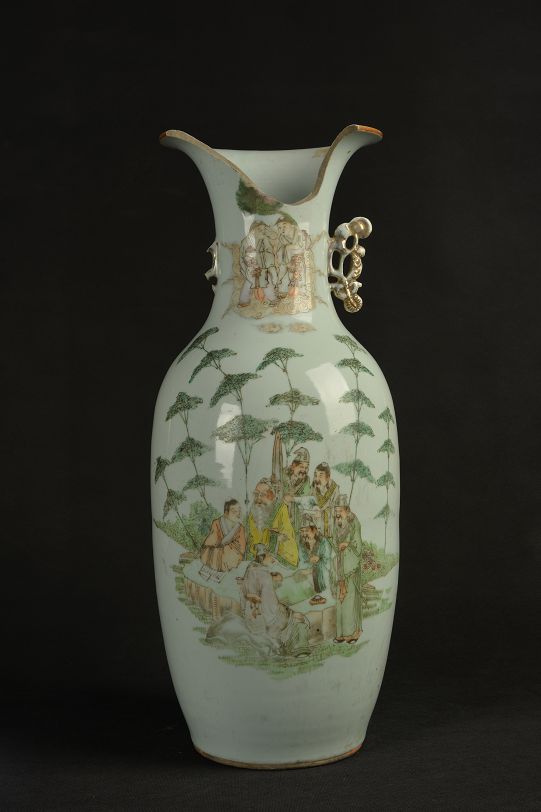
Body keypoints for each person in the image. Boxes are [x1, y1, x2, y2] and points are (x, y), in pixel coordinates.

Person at [240, 544, 310, 656]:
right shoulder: (262, 574)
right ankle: (300, 649)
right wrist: (286, 610)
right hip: (265, 618)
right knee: (299, 618)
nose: (272, 559)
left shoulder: (251, 569)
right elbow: (269, 606)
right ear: (262, 557)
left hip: (253, 615)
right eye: (269, 556)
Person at [331, 495, 364, 643]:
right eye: (336, 511)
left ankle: (352, 633)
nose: (337, 514)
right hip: (340, 564)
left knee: (350, 598)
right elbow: (334, 540)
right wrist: (337, 547)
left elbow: (357, 543)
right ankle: (340, 633)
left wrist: (347, 545)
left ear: (347, 510)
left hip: (351, 564)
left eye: (340, 511)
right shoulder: (337, 523)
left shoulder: (354, 521)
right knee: (341, 598)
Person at [246, 478, 298, 567]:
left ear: (272, 496)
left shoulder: (280, 508)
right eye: (256, 494)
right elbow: (252, 538)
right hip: (259, 556)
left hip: (279, 557)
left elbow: (286, 535)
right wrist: (257, 547)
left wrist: (274, 538)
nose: (258, 498)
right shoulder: (253, 511)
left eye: (262, 495)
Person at [199, 499, 246, 579]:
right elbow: (213, 539)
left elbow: (241, 546)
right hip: (217, 548)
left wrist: (227, 546)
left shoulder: (240, 527)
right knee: (210, 552)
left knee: (228, 555)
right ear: (226, 513)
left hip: (232, 553)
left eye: (239, 511)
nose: (237, 514)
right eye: (234, 512)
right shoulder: (217, 522)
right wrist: (219, 543)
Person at [299, 520, 331, 604]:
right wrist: (307, 565)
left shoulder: (323, 541)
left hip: (322, 573)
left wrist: (319, 558)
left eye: (307, 531)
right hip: (307, 574)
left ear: (314, 530)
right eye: (302, 531)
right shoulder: (302, 544)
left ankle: (321, 596)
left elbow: (328, 558)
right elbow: (301, 560)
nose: (304, 534)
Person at [282, 447, 311, 534]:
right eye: (301, 467)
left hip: (296, 519)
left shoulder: (306, 480)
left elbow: (306, 499)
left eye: (306, 468)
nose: (304, 470)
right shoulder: (282, 474)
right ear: (293, 466)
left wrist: (291, 498)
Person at [311, 462, 340, 538]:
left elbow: (337, 508)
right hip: (316, 525)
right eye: (315, 475)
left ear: (328, 477)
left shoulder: (334, 488)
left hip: (330, 525)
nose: (317, 479)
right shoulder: (313, 487)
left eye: (320, 476)